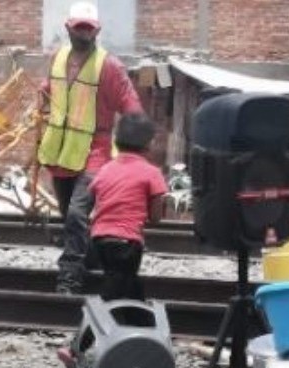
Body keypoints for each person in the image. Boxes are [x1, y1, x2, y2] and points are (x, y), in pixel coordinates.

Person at [38, 1, 144, 294]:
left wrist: (132, 151)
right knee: (70, 216)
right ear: (68, 29)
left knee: (76, 214)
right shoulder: (57, 58)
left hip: (95, 152)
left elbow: (132, 108)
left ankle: (68, 278)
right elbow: (50, 90)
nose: (84, 34)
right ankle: (94, 263)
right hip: (61, 153)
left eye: (89, 29)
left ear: (97, 30)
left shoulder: (109, 66)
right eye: (79, 29)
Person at [87, 113, 167, 301]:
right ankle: (95, 324)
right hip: (127, 242)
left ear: (116, 139)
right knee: (116, 288)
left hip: (99, 239)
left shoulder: (105, 169)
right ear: (148, 143)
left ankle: (140, 323)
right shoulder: (152, 172)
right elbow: (155, 217)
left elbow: (94, 196)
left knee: (128, 283)